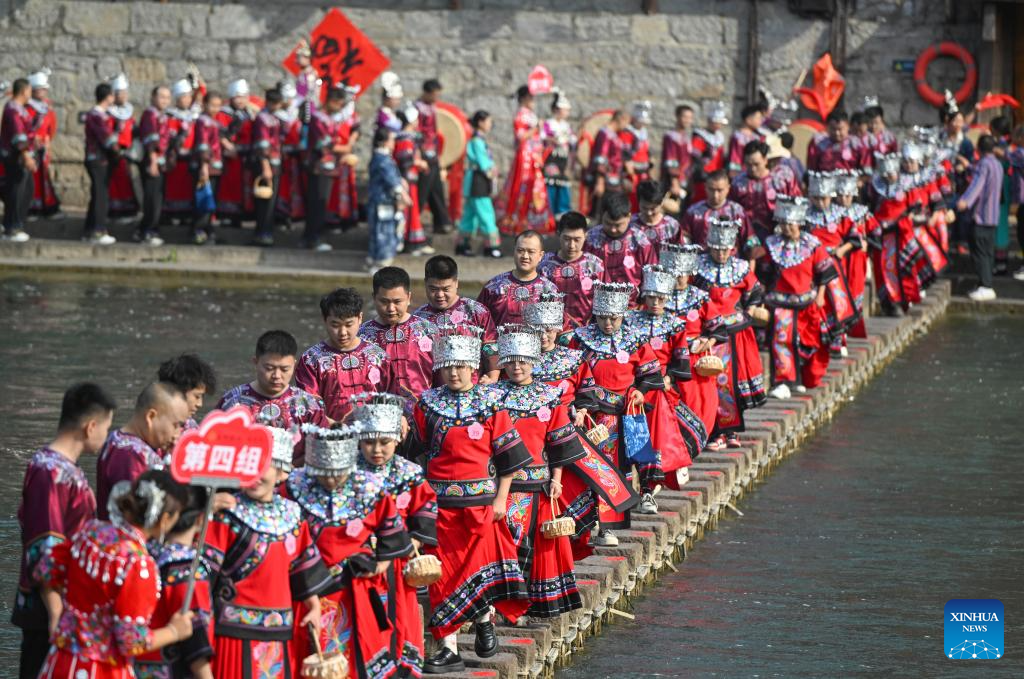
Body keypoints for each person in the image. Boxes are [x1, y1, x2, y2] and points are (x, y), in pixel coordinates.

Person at [408, 325, 532, 673]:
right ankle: (447, 647)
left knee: (478, 567)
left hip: (482, 504)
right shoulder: (428, 404)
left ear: (473, 367)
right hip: (440, 507)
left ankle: (484, 620)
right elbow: (411, 448)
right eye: (448, 365)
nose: (455, 371)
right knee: (443, 575)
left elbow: (508, 458)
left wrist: (501, 500)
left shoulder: (492, 403)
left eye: (461, 365)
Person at [284, 422, 413, 679]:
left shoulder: (369, 488)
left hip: (357, 584)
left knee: (360, 645)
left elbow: (391, 527)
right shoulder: (294, 488)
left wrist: (381, 564)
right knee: (313, 649)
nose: (331, 479)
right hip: (310, 585)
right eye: (324, 473)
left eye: (338, 473)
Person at [35, 471, 195, 677]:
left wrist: (56, 614)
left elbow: (46, 568)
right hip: (103, 670)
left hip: (62, 660)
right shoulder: (138, 563)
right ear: (164, 519)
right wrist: (174, 631)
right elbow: (131, 641)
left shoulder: (91, 531)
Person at [204, 429, 330, 679]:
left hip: (280, 627)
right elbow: (205, 573)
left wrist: (313, 606)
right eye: (249, 465)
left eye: (264, 466)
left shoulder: (293, 515)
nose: (255, 474)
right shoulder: (225, 512)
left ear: (282, 472)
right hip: (233, 631)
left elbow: (302, 566)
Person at [13, 383, 116, 679]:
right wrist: (57, 613)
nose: (106, 436)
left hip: (61, 600)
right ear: (90, 426)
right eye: (106, 428)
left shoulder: (58, 467)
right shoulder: (51, 472)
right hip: (48, 607)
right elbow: (45, 544)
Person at [523, 293, 638, 557]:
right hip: (534, 434)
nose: (544, 336)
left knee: (586, 480)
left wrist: (582, 409)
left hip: (568, 429)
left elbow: (586, 392)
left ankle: (593, 530)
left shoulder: (573, 359)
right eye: (537, 330)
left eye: (549, 329)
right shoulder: (522, 362)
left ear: (557, 329)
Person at [493, 324, 585, 617]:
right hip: (500, 485)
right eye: (511, 360)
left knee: (534, 547)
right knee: (506, 545)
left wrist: (557, 479)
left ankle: (528, 606)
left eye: (523, 360)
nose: (517, 366)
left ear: (533, 360)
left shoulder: (548, 396)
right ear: (503, 362)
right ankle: (504, 606)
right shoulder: (490, 397)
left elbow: (558, 442)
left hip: (539, 484)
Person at [569, 282, 664, 545]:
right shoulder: (581, 339)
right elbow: (571, 373)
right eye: (602, 317)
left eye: (613, 318)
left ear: (623, 314)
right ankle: (596, 526)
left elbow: (651, 373)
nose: (608, 323)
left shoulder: (635, 339)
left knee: (627, 462)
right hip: (593, 413)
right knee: (597, 468)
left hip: (628, 411)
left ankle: (631, 506)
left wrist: (640, 392)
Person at [352, 393, 438, 676]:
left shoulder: (410, 473)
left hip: (399, 564)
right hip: (360, 563)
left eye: (384, 442)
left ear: (397, 440)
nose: (377, 449)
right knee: (363, 624)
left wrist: (407, 544)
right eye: (369, 442)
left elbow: (424, 513)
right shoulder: (347, 475)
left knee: (400, 618)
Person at [625, 265, 707, 496]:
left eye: (660, 297)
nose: (655, 302)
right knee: (632, 438)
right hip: (632, 387)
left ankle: (649, 487)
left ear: (667, 297)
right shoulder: (629, 321)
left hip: (660, 386)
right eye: (650, 296)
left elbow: (680, 359)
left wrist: (669, 377)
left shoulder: (675, 325)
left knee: (659, 435)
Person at [692, 217, 767, 450]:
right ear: (710, 246)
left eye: (726, 250)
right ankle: (715, 432)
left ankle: (731, 431)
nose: (722, 254)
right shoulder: (699, 269)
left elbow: (755, 291)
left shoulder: (740, 268)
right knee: (714, 382)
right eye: (717, 249)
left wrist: (752, 306)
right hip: (713, 335)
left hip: (736, 334)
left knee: (732, 383)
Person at [133, 486, 216, 679]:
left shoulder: (145, 551)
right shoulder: (186, 568)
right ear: (201, 519)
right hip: (172, 668)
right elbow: (194, 636)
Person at [762, 197, 837, 400]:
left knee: (806, 340)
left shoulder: (812, 245)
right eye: (783, 223)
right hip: (780, 303)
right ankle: (783, 381)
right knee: (783, 339)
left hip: (807, 302)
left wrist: (821, 295)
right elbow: (765, 273)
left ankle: (799, 380)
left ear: (799, 223)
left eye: (791, 223)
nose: (787, 228)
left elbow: (825, 271)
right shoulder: (772, 245)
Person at [218, 329, 327, 464]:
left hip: (296, 478)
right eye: (269, 368)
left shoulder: (308, 405)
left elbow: (322, 448)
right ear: (255, 362)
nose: (276, 376)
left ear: (294, 364)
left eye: (284, 369)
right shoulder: (233, 403)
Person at [659, 243, 724, 443]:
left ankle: (698, 440)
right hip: (667, 357)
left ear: (690, 274)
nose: (678, 278)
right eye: (674, 274)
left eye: (682, 274)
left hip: (694, 358)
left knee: (701, 401)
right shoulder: (659, 298)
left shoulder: (700, 297)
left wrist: (708, 340)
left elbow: (718, 327)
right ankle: (677, 442)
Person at [96, 381, 190, 520]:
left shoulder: (120, 441)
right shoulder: (130, 454)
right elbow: (138, 512)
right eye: (175, 425)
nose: (177, 435)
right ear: (151, 417)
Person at [295, 287, 391, 421]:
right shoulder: (311, 360)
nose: (343, 332)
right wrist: (336, 427)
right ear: (325, 320)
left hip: (373, 436)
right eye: (335, 325)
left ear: (360, 318)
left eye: (348, 324)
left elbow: (391, 398)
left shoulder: (378, 357)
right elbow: (309, 405)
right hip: (331, 435)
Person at [414, 255, 500, 383]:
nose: (439, 295)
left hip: (472, 388)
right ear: (425, 283)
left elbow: (490, 346)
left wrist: (492, 377)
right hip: (434, 391)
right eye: (433, 289)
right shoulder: (418, 319)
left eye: (446, 289)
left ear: (456, 283)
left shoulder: (476, 311)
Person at [359, 266, 439, 401]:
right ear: (374, 298)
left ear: (408, 298)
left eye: (397, 302)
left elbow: (442, 377)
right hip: (380, 412)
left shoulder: (429, 331)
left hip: (423, 412)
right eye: (384, 301)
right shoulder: (363, 336)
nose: (391, 309)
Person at [804, 173, 861, 351]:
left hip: (834, 265)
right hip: (813, 266)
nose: (822, 202)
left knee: (838, 302)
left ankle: (839, 340)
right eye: (817, 198)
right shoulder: (805, 217)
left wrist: (841, 250)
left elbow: (854, 237)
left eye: (825, 198)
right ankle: (819, 338)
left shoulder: (840, 215)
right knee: (817, 302)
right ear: (811, 197)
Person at [583, 191, 657, 303]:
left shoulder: (640, 241)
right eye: (608, 223)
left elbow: (652, 274)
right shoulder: (591, 239)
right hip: (597, 308)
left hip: (632, 306)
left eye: (618, 225)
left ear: (629, 217)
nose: (613, 229)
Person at [498, 85, 553, 234]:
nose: (533, 100)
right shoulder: (521, 115)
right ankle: (517, 219)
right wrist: (536, 128)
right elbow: (521, 136)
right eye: (530, 97)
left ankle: (531, 220)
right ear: (524, 98)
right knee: (523, 186)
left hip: (534, 155)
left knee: (535, 186)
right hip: (526, 156)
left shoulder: (530, 114)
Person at [538, 211, 605, 329]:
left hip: (586, 331)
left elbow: (602, 302)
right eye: (567, 239)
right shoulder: (544, 264)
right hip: (551, 333)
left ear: (586, 236)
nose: (572, 245)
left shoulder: (595, 265)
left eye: (577, 239)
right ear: (558, 234)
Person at [729, 139, 802, 245]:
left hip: (781, 237)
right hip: (748, 240)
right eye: (748, 164)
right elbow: (732, 212)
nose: (752, 169)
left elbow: (797, 204)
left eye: (756, 164)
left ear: (765, 160)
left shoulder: (783, 177)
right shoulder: (738, 183)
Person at [477, 230, 558, 325]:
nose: (525, 256)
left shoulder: (549, 290)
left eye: (531, 252)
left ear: (541, 256)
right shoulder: (494, 286)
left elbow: (554, 331)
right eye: (520, 251)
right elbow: (477, 321)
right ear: (514, 251)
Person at [957, 134, 1003, 301]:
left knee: (980, 253)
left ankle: (986, 286)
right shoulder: (997, 164)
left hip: (981, 216)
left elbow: (978, 184)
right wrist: (968, 166)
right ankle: (985, 283)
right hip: (992, 216)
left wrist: (964, 202)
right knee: (988, 252)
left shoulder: (984, 164)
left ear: (979, 149)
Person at [680, 169, 760, 264]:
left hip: (732, 268)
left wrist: (749, 273)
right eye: (711, 189)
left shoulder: (737, 211)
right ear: (705, 187)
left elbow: (750, 243)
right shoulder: (693, 212)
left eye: (720, 190)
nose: (715, 195)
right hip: (701, 267)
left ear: (728, 188)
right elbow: (684, 242)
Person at [303, 86, 347, 252]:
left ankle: (310, 236)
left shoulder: (328, 118)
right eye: (339, 104)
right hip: (319, 166)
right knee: (318, 203)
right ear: (331, 101)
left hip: (328, 167)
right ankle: (314, 237)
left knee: (321, 202)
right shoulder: (318, 118)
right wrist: (345, 149)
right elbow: (324, 143)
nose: (340, 108)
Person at [834, 170, 874, 339]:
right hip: (839, 259)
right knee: (839, 295)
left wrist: (867, 243)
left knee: (855, 291)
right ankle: (840, 333)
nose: (844, 199)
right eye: (841, 195)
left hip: (857, 259)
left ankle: (853, 328)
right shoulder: (830, 213)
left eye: (848, 196)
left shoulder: (861, 212)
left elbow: (876, 230)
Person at [459, 109, 502, 257]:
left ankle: (462, 244)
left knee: (470, 215)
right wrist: (493, 172)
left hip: (474, 181)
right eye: (488, 121)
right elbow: (485, 164)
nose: (490, 124)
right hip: (479, 180)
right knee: (486, 213)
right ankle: (492, 246)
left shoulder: (477, 140)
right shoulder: (477, 141)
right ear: (480, 122)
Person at [367, 127, 410, 271]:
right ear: (385, 142)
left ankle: (375, 259)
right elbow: (391, 180)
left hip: (381, 201)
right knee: (383, 231)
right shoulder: (382, 159)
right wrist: (404, 195)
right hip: (382, 202)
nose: (394, 143)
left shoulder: (381, 157)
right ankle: (380, 262)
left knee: (380, 230)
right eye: (392, 139)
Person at [83, 82, 121, 244]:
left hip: (101, 159)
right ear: (108, 97)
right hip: (97, 159)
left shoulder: (103, 115)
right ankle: (98, 230)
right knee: (101, 195)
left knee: (98, 193)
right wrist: (118, 148)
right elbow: (106, 138)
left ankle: (89, 229)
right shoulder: (96, 116)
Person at [416, 78, 453, 235]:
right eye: (434, 94)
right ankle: (414, 223)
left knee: (436, 189)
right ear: (427, 93)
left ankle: (442, 222)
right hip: (423, 154)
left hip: (433, 153)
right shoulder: (416, 109)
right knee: (422, 191)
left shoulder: (432, 108)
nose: (436, 98)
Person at [1, 78, 36, 242]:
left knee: (27, 189)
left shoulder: (20, 109)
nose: (31, 94)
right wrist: (26, 155)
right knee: (17, 190)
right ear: (23, 91)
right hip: (15, 157)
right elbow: (18, 135)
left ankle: (15, 223)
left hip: (21, 155)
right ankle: (12, 227)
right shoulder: (12, 110)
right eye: (29, 91)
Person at [216, 79, 255, 226]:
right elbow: (219, 132)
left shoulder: (248, 114)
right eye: (237, 97)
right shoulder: (224, 113)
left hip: (244, 156)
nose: (241, 100)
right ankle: (226, 215)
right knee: (229, 186)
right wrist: (227, 146)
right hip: (230, 156)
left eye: (244, 97)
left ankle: (241, 215)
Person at [325, 84, 362, 234]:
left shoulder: (352, 116)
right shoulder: (331, 115)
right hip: (333, 157)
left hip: (346, 157)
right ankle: (332, 220)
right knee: (333, 191)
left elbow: (356, 131)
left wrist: (350, 144)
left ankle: (347, 218)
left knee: (347, 188)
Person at [938, 100, 974, 254]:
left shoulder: (965, 142)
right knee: (944, 209)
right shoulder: (940, 138)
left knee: (961, 211)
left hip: (960, 181)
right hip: (943, 179)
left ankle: (961, 241)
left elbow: (971, 161)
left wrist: (964, 165)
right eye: (956, 120)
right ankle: (946, 239)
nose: (959, 123)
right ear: (948, 121)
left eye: (960, 120)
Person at [137, 85, 171, 244]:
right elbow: (150, 140)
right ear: (153, 97)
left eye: (167, 97)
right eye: (161, 96)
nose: (165, 100)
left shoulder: (162, 116)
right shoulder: (150, 115)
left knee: (157, 197)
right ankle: (148, 231)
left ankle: (144, 229)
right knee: (152, 199)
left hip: (161, 162)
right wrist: (153, 162)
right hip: (153, 161)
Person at [395, 102, 431, 254]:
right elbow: (405, 159)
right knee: (408, 211)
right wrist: (419, 162)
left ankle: (413, 241)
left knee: (412, 210)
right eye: (416, 120)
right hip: (406, 181)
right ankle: (408, 242)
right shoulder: (405, 139)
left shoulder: (406, 138)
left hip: (410, 180)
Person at [163, 78, 200, 226]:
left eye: (189, 96)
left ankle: (186, 215)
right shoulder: (171, 116)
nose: (187, 100)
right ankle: (170, 214)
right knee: (173, 188)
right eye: (183, 97)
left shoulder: (193, 115)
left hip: (190, 158)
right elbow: (169, 135)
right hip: (175, 159)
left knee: (187, 189)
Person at [251, 88, 285, 246]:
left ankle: (267, 231)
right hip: (265, 164)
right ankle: (261, 233)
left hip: (275, 163)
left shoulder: (275, 118)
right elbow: (262, 144)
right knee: (264, 201)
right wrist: (265, 166)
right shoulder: (262, 119)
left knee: (271, 201)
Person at [191, 90, 224, 245]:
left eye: (218, 106)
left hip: (215, 167)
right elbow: (203, 145)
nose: (215, 109)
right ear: (204, 105)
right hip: (206, 167)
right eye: (212, 105)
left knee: (211, 200)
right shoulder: (202, 121)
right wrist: (204, 166)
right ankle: (198, 230)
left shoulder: (215, 122)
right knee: (203, 199)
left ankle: (208, 229)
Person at [26, 69, 60, 218]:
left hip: (43, 148)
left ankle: (47, 207)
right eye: (40, 89)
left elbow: (51, 127)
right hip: (31, 148)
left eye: (44, 89)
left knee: (44, 179)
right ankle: (32, 208)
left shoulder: (47, 107)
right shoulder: (27, 107)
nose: (43, 92)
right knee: (32, 179)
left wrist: (46, 140)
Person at [584, 109, 629, 218]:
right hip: (605, 181)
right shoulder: (605, 134)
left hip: (613, 181)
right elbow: (601, 157)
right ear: (621, 119)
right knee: (600, 212)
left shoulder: (613, 135)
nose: (626, 126)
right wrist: (600, 182)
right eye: (626, 122)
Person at [157, 352, 218, 430]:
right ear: (177, 392)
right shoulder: (157, 427)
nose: (200, 404)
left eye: (202, 397)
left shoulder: (190, 425)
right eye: (197, 396)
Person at [107, 73, 139, 221]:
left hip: (127, 152)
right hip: (114, 153)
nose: (124, 96)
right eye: (120, 93)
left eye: (125, 92)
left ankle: (128, 210)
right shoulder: (109, 112)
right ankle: (116, 211)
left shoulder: (128, 111)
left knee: (126, 182)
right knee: (115, 183)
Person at [541, 90, 576, 220]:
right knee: (551, 184)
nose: (567, 113)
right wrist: (553, 140)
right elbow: (542, 138)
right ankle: (549, 214)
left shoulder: (566, 125)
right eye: (565, 110)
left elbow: (572, 140)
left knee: (563, 184)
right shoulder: (548, 123)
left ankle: (562, 214)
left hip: (563, 158)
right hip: (552, 158)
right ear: (557, 109)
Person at [805, 110, 871, 173]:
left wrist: (860, 181)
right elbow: (811, 168)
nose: (837, 133)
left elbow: (866, 170)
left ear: (848, 127)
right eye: (833, 129)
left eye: (840, 129)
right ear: (827, 127)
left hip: (850, 182)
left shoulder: (857, 144)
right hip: (824, 182)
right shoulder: (818, 143)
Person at [689, 101, 728, 204]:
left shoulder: (720, 136)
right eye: (716, 122)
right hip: (703, 177)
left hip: (717, 176)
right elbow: (695, 158)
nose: (718, 125)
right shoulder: (700, 136)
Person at [621, 101, 653, 211]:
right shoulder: (628, 132)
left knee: (643, 197)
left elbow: (646, 151)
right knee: (632, 197)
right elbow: (625, 153)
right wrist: (629, 170)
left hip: (643, 171)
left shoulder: (644, 132)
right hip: (632, 172)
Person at [660, 104, 695, 204]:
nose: (687, 120)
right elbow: (671, 160)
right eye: (685, 117)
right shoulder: (671, 137)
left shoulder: (686, 137)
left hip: (685, 182)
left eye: (690, 118)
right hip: (673, 183)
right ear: (678, 117)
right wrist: (674, 182)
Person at [630, 179, 680, 246]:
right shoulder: (630, 224)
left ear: (662, 203)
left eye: (653, 208)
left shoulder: (671, 225)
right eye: (644, 208)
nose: (649, 213)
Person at [726, 104, 764, 177]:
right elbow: (735, 157)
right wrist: (734, 175)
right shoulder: (738, 137)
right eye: (758, 118)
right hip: (742, 175)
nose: (760, 121)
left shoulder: (757, 137)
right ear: (748, 120)